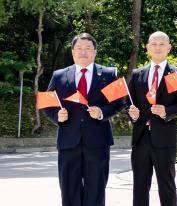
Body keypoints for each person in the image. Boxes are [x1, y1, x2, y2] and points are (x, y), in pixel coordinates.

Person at [42, 32, 124, 206]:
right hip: (68, 142)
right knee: (69, 191)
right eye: (79, 48)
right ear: (72, 52)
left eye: (88, 48)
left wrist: (102, 112)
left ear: (95, 51)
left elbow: (119, 103)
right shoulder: (59, 75)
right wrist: (57, 116)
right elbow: (46, 104)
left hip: (98, 143)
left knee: (96, 191)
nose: (83, 52)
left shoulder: (109, 74)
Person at [126, 31, 177, 206]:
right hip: (140, 138)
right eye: (154, 44)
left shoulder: (176, 74)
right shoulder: (138, 74)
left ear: (169, 47)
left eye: (162, 44)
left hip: (165, 138)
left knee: (166, 186)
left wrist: (167, 111)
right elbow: (128, 103)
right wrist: (132, 113)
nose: (158, 47)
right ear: (147, 48)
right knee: (139, 186)